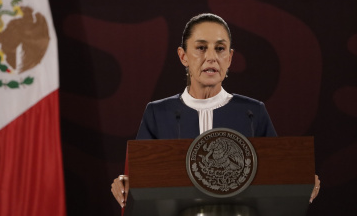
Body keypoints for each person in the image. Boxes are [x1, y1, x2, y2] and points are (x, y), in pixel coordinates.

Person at [110, 13, 320, 208]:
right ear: (183, 56)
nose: (211, 57)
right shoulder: (157, 113)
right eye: (201, 48)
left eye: (220, 49)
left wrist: (302, 179)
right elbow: (140, 180)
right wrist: (124, 183)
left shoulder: (252, 112)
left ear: (229, 58)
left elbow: (278, 175)